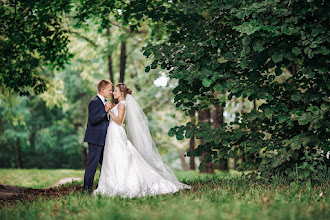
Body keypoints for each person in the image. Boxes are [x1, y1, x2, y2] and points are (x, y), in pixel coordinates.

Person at [93, 83, 191, 198]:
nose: (113, 93)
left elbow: (119, 121)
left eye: (115, 91)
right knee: (112, 157)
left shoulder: (122, 105)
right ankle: (109, 184)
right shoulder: (119, 104)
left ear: (122, 93)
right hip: (112, 133)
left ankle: (123, 183)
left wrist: (108, 111)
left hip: (116, 132)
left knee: (120, 156)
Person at [83, 79, 113, 192]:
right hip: (95, 139)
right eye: (109, 90)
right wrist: (105, 111)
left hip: (104, 139)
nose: (111, 92)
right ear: (103, 90)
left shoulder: (103, 102)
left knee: (107, 164)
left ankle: (103, 187)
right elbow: (93, 120)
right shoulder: (94, 102)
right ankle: (86, 190)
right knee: (92, 165)